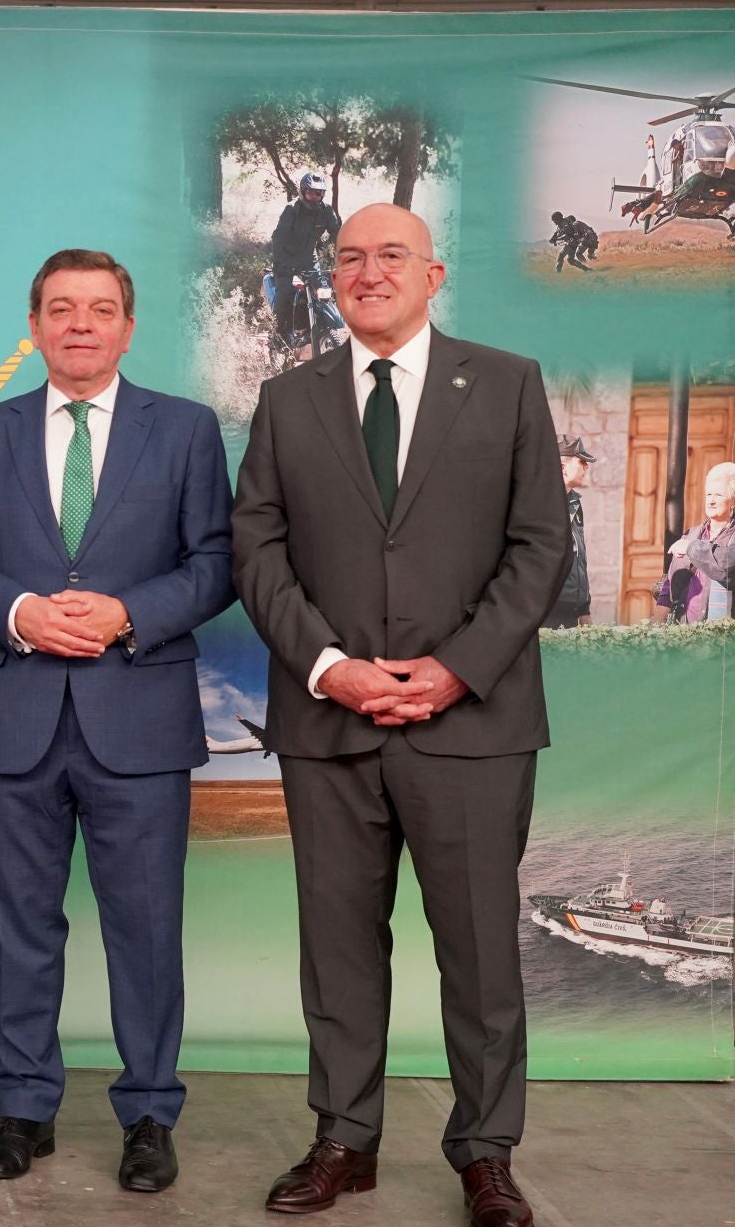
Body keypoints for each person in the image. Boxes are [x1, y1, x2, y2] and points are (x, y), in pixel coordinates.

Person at [232, 204, 568, 1227]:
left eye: (391, 256)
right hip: (328, 722)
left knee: (478, 951)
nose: (368, 271)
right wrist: (330, 666)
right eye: (349, 258)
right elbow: (257, 548)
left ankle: (485, 1152)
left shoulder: (507, 383)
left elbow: (541, 546)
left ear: (434, 272)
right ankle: (345, 1138)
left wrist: (455, 669)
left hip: (471, 722)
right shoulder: (288, 400)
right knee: (337, 945)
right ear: (329, 278)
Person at [0, 249, 234, 1190]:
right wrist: (22, 613)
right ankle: (24, 1108)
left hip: (139, 716)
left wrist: (126, 614)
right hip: (16, 713)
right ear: (32, 327)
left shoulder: (185, 431)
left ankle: (149, 1112)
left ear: (127, 328)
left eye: (99, 309)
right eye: (60, 309)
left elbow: (217, 561)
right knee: (17, 926)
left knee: (144, 930)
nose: (79, 324)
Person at [654, 461, 735, 625]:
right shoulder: (692, 534)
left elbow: (726, 565)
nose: (711, 501)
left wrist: (691, 548)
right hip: (685, 634)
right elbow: (669, 585)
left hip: (723, 639)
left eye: (718, 495)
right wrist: (656, 625)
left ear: (733, 501)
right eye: (708, 495)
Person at [270, 172, 342, 344]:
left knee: (324, 291)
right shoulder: (292, 209)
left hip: (309, 258)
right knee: (285, 293)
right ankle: (281, 333)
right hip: (286, 259)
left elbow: (338, 234)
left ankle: (320, 326)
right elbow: (278, 238)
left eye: (319, 193)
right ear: (302, 191)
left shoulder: (326, 211)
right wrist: (280, 264)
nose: (314, 197)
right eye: (311, 192)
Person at [546, 436, 597, 628]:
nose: (586, 467)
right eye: (582, 462)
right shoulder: (538, 504)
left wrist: (584, 609)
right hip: (544, 612)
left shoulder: (574, 502)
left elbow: (579, 559)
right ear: (562, 466)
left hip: (568, 611)